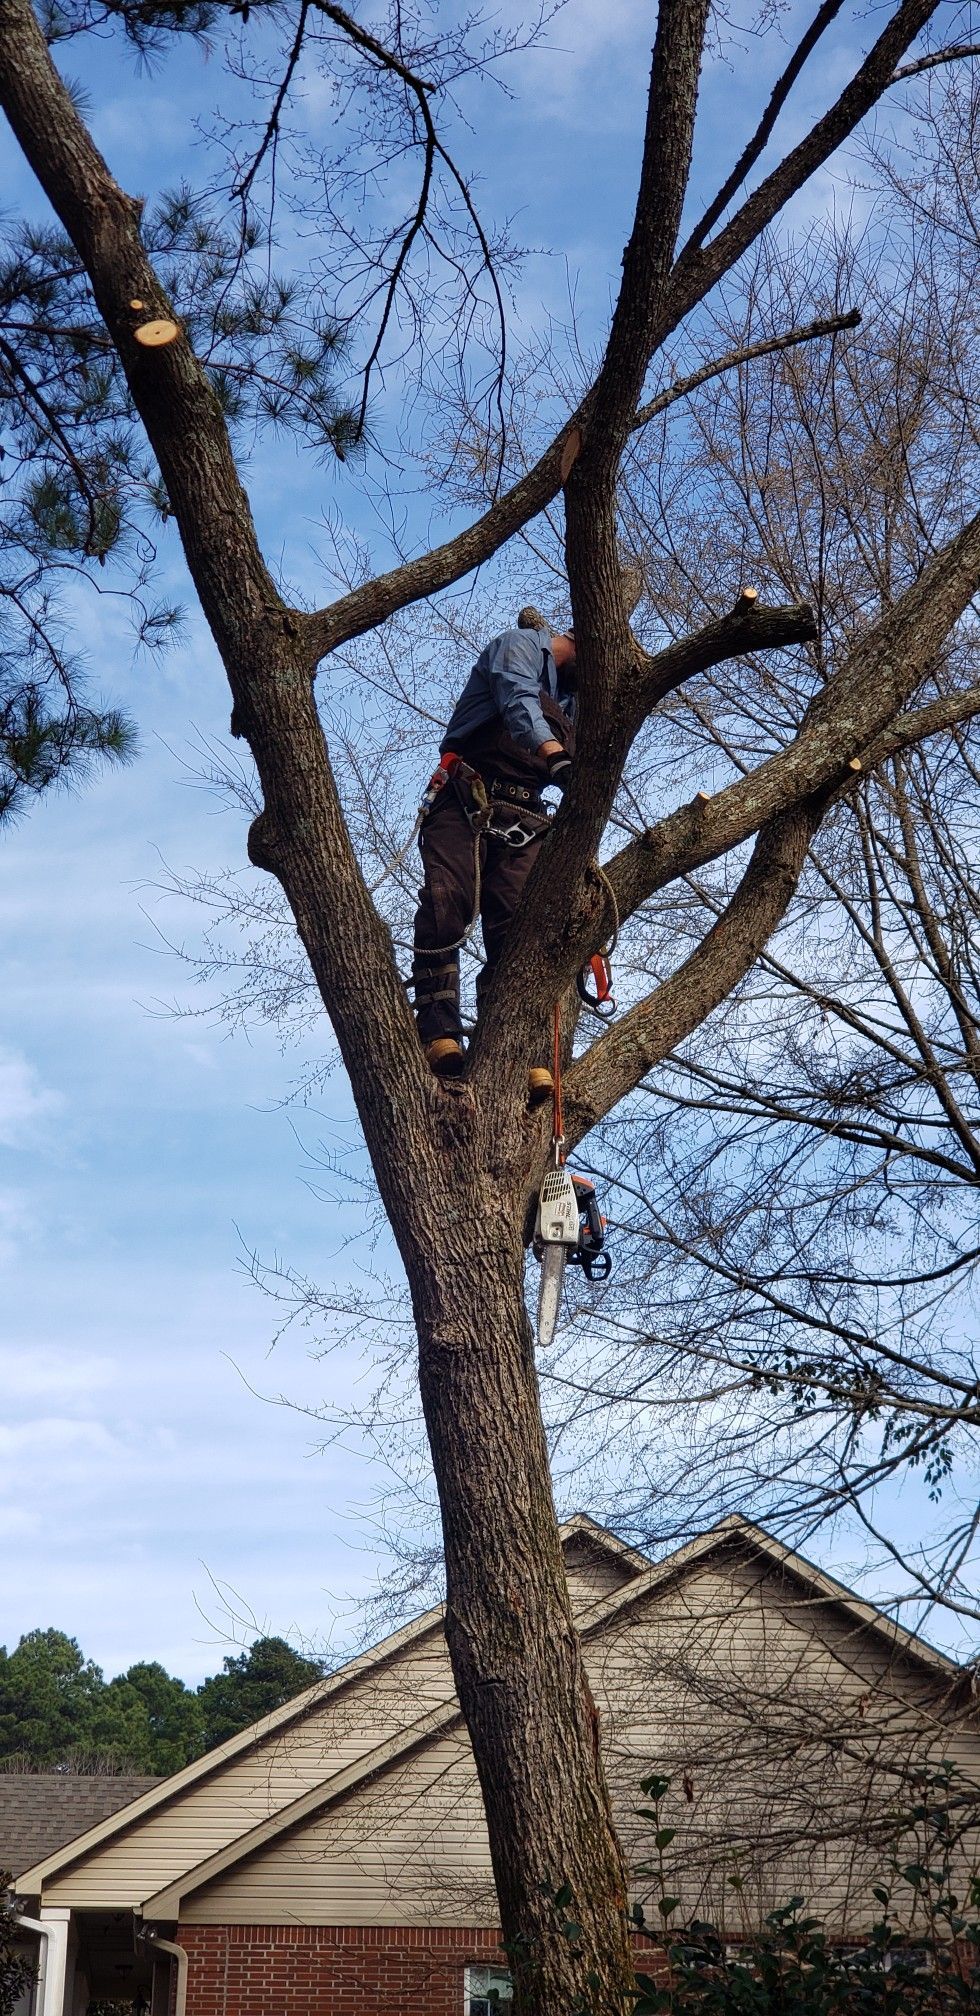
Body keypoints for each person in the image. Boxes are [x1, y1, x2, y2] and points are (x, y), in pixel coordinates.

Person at [412, 618, 577, 1099]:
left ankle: (519, 1054)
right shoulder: (519, 646)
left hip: (527, 816)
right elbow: (517, 700)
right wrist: (554, 753)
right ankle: (438, 1031)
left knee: (519, 934)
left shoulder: (576, 700)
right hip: (469, 797)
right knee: (449, 902)